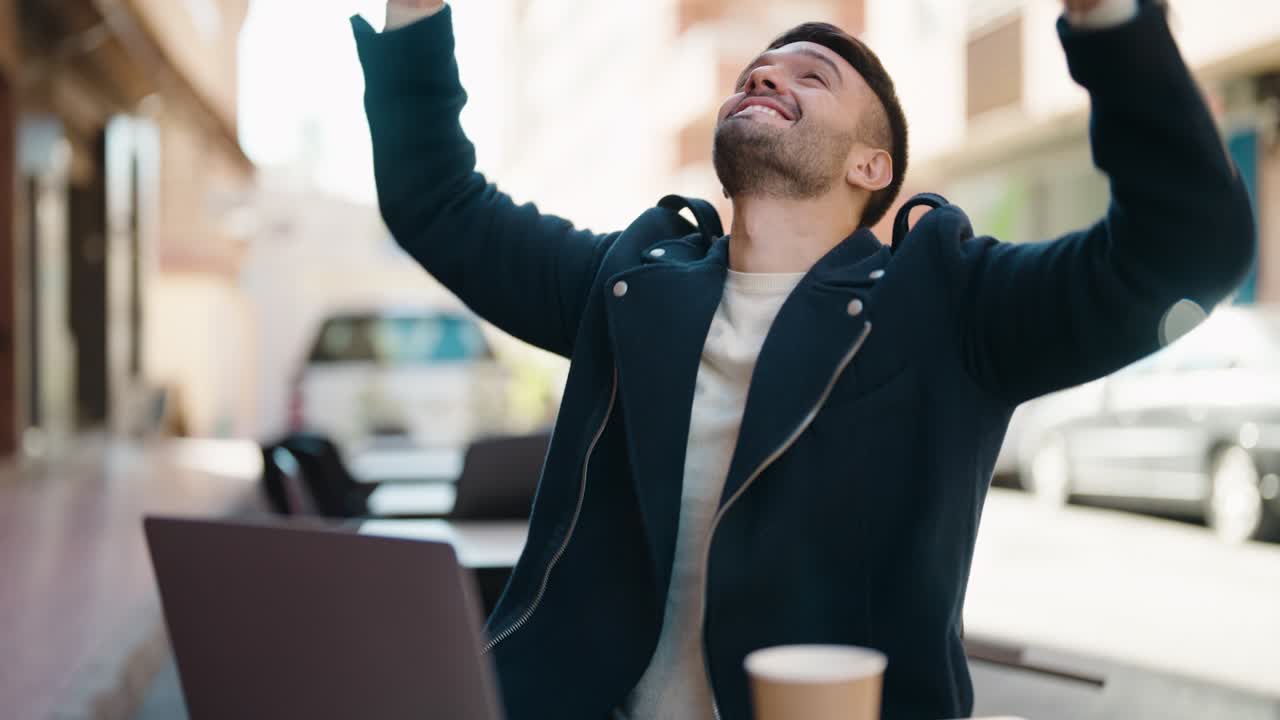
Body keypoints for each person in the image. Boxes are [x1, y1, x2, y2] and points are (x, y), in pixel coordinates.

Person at [351, 0, 1255, 717]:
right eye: (757, 70)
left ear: (873, 166)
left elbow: (1186, 254)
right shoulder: (626, 282)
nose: (767, 74)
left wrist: (1107, 17)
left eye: (811, 75)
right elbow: (437, 201)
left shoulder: (948, 303)